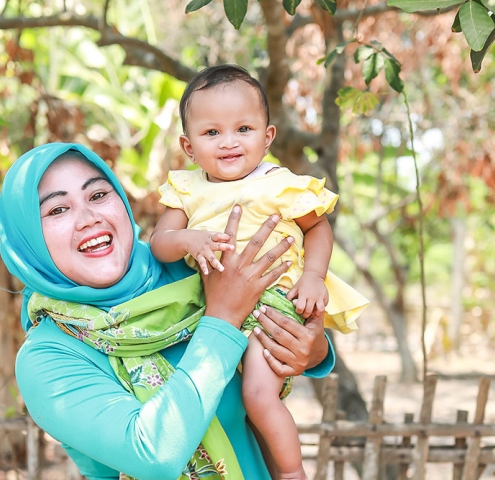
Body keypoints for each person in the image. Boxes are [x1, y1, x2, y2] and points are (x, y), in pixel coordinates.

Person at [0, 142, 336, 480]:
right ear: (28, 241)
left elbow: (286, 339)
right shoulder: (47, 357)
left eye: (98, 195)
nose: (89, 218)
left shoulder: (190, 264)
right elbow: (153, 455)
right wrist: (222, 318)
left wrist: (311, 348)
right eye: (57, 210)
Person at [150, 65, 369, 480]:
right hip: (213, 310)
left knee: (257, 395)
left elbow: (318, 228)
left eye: (243, 128)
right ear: (188, 145)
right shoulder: (186, 189)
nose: (229, 142)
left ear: (267, 137)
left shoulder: (279, 183)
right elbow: (160, 243)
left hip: (272, 303)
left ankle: (291, 473)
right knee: (228, 400)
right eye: (211, 133)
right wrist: (188, 239)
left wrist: (313, 278)